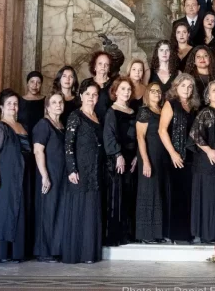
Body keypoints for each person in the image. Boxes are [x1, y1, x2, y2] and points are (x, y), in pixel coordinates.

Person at [0, 89, 33, 263]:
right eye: (9, 103)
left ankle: (15, 252)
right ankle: (1, 253)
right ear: (2, 107)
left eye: (15, 103)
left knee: (18, 210)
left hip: (21, 176)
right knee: (4, 211)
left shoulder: (22, 126)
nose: (13, 106)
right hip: (5, 175)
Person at [62, 79, 105, 264]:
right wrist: (72, 169)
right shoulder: (75, 116)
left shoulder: (98, 117)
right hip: (79, 169)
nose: (91, 98)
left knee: (91, 209)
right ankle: (76, 253)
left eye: (94, 95)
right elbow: (68, 144)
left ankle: (89, 254)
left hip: (95, 169)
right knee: (79, 208)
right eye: (88, 94)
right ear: (81, 96)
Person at [188, 81, 215, 243]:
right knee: (209, 199)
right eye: (214, 90)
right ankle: (208, 234)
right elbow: (195, 134)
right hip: (208, 164)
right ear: (208, 95)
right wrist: (208, 150)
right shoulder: (206, 112)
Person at [158, 73, 200, 242]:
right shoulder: (171, 104)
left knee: (189, 195)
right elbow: (162, 130)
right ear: (176, 87)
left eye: (190, 86)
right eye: (183, 85)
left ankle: (187, 233)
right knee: (176, 195)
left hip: (191, 157)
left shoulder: (194, 107)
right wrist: (173, 153)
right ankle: (174, 234)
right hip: (175, 156)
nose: (187, 89)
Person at [103, 77, 138, 246]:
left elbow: (139, 136)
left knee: (130, 195)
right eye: (123, 89)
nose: (126, 92)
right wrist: (118, 155)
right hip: (118, 158)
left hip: (132, 158)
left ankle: (129, 234)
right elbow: (108, 135)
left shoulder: (134, 112)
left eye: (129, 89)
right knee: (117, 195)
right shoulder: (111, 112)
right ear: (115, 91)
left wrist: (137, 156)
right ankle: (116, 235)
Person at [32, 93, 67, 262]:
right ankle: (43, 251)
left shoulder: (61, 125)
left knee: (57, 210)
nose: (58, 105)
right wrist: (44, 175)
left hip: (61, 175)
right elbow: (38, 150)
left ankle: (55, 248)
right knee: (47, 210)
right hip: (48, 173)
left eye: (60, 102)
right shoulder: (43, 124)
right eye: (54, 102)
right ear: (47, 106)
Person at [135, 83, 170, 243]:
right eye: (153, 91)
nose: (156, 93)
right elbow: (140, 137)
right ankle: (146, 235)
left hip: (162, 157)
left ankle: (158, 233)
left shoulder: (163, 111)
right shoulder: (144, 111)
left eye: (159, 91)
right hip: (149, 156)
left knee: (159, 192)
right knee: (149, 193)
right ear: (147, 94)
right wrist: (146, 161)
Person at [18, 71, 45, 138]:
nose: (35, 85)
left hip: (41, 136)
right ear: (27, 83)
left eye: (38, 82)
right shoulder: (19, 100)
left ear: (41, 84)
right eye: (32, 82)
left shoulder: (46, 100)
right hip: (24, 136)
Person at [90, 51, 114, 123]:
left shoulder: (115, 84)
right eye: (100, 63)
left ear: (109, 68)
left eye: (106, 64)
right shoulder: (86, 83)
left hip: (108, 123)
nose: (103, 66)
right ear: (95, 66)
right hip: (89, 122)